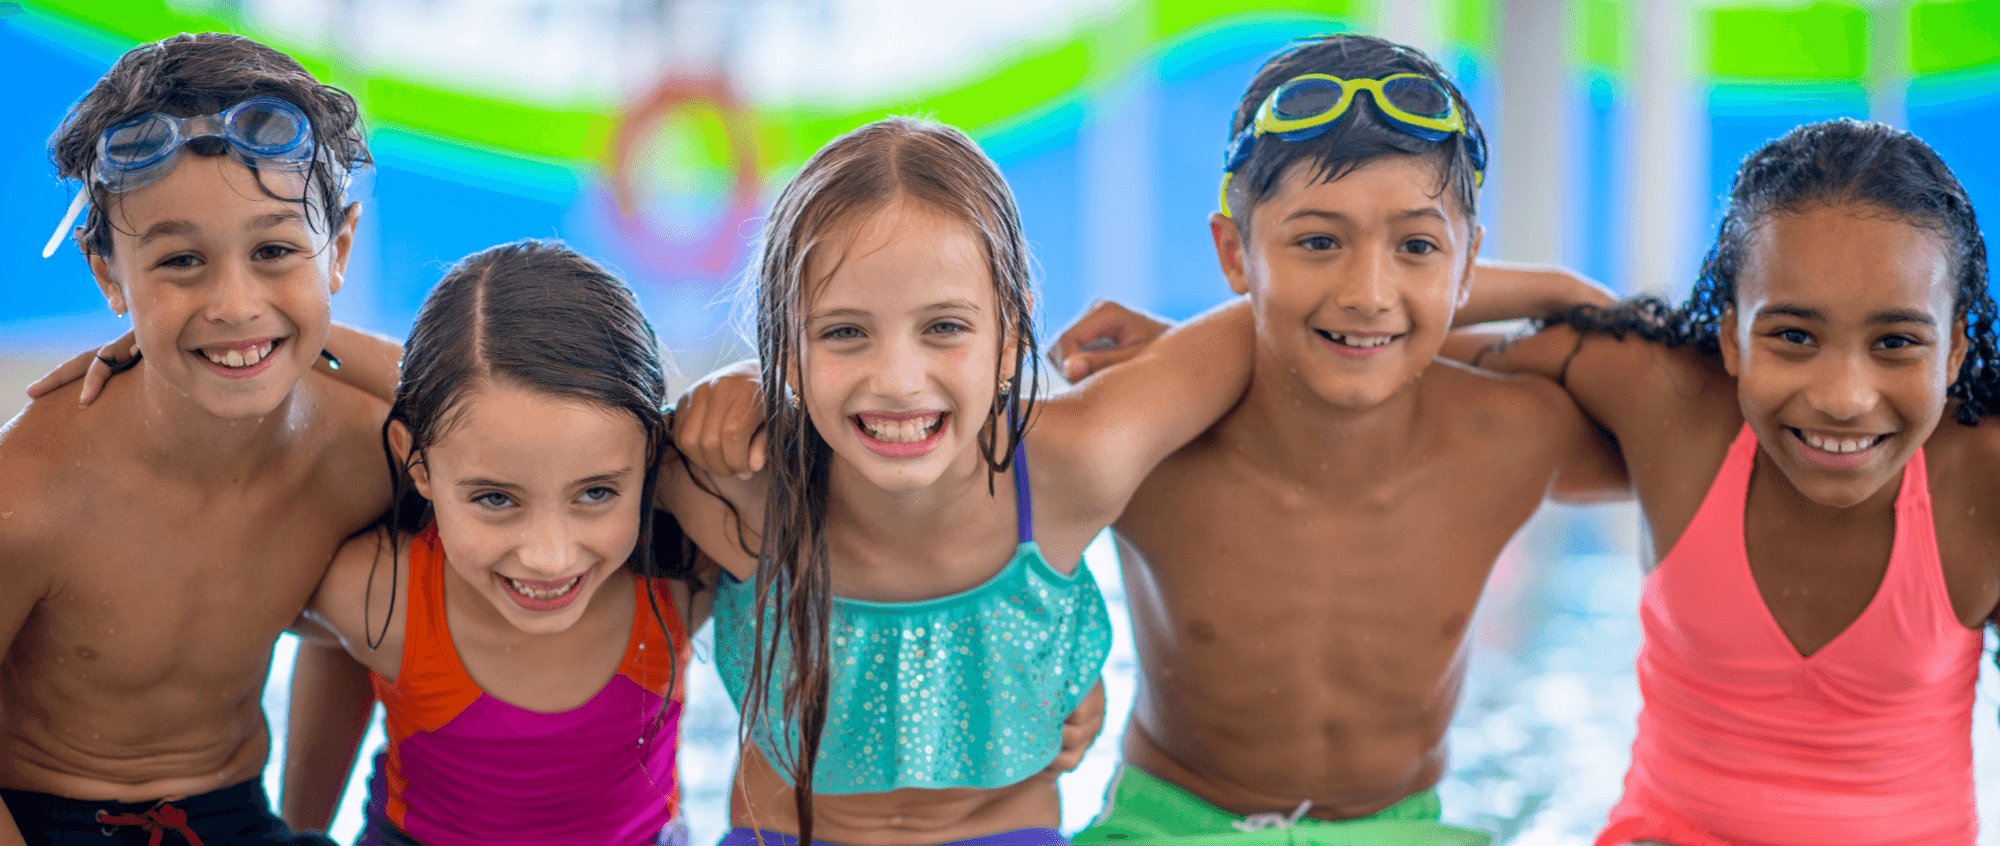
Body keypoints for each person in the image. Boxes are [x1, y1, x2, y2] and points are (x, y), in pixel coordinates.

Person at [1046, 33, 1622, 842]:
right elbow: (974, 499)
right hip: (1168, 825)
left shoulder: (1513, 434)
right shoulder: (1156, 433)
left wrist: (1545, 292)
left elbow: (1662, 397)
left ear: (1469, 268)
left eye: (1417, 246)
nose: (1368, 293)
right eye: (1318, 242)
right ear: (1233, 255)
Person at [658, 116, 1256, 846]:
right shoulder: (743, 489)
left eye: (944, 327)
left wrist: (1167, 340)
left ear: (1010, 338)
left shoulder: (1071, 468)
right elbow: (549, 461)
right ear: (786, 347)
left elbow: (1279, 324)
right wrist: (725, 391)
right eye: (844, 332)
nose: (899, 381)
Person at [1466, 118, 1999, 846]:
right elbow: (1390, 334)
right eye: (1793, 336)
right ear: (1730, 337)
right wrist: (1564, 291)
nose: (1844, 396)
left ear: (1955, 350)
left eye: (1896, 343)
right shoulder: (1673, 403)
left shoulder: (1983, 478)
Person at [0, 32, 385, 846]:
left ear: (338, 250)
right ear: (110, 276)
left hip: (238, 813)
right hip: (42, 818)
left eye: (276, 251)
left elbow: (508, 418)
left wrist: (307, 833)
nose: (235, 304)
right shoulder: (28, 494)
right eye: (180, 261)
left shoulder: (362, 455)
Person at [280, 240, 710, 846]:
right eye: (496, 499)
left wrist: (742, 386)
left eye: (595, 494)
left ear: (652, 459)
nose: (550, 557)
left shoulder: (681, 569)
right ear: (418, 465)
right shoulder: (384, 597)